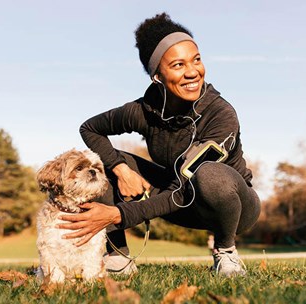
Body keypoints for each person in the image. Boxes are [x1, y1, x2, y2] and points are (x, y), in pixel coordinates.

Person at [56, 13, 261, 277]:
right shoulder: (144, 111)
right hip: (179, 204)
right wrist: (121, 169)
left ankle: (226, 252)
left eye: (196, 60)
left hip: (232, 209)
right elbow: (90, 129)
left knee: (210, 175)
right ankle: (117, 258)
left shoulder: (221, 115)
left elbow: (183, 189)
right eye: (178, 65)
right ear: (157, 76)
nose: (192, 72)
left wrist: (117, 214)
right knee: (103, 165)